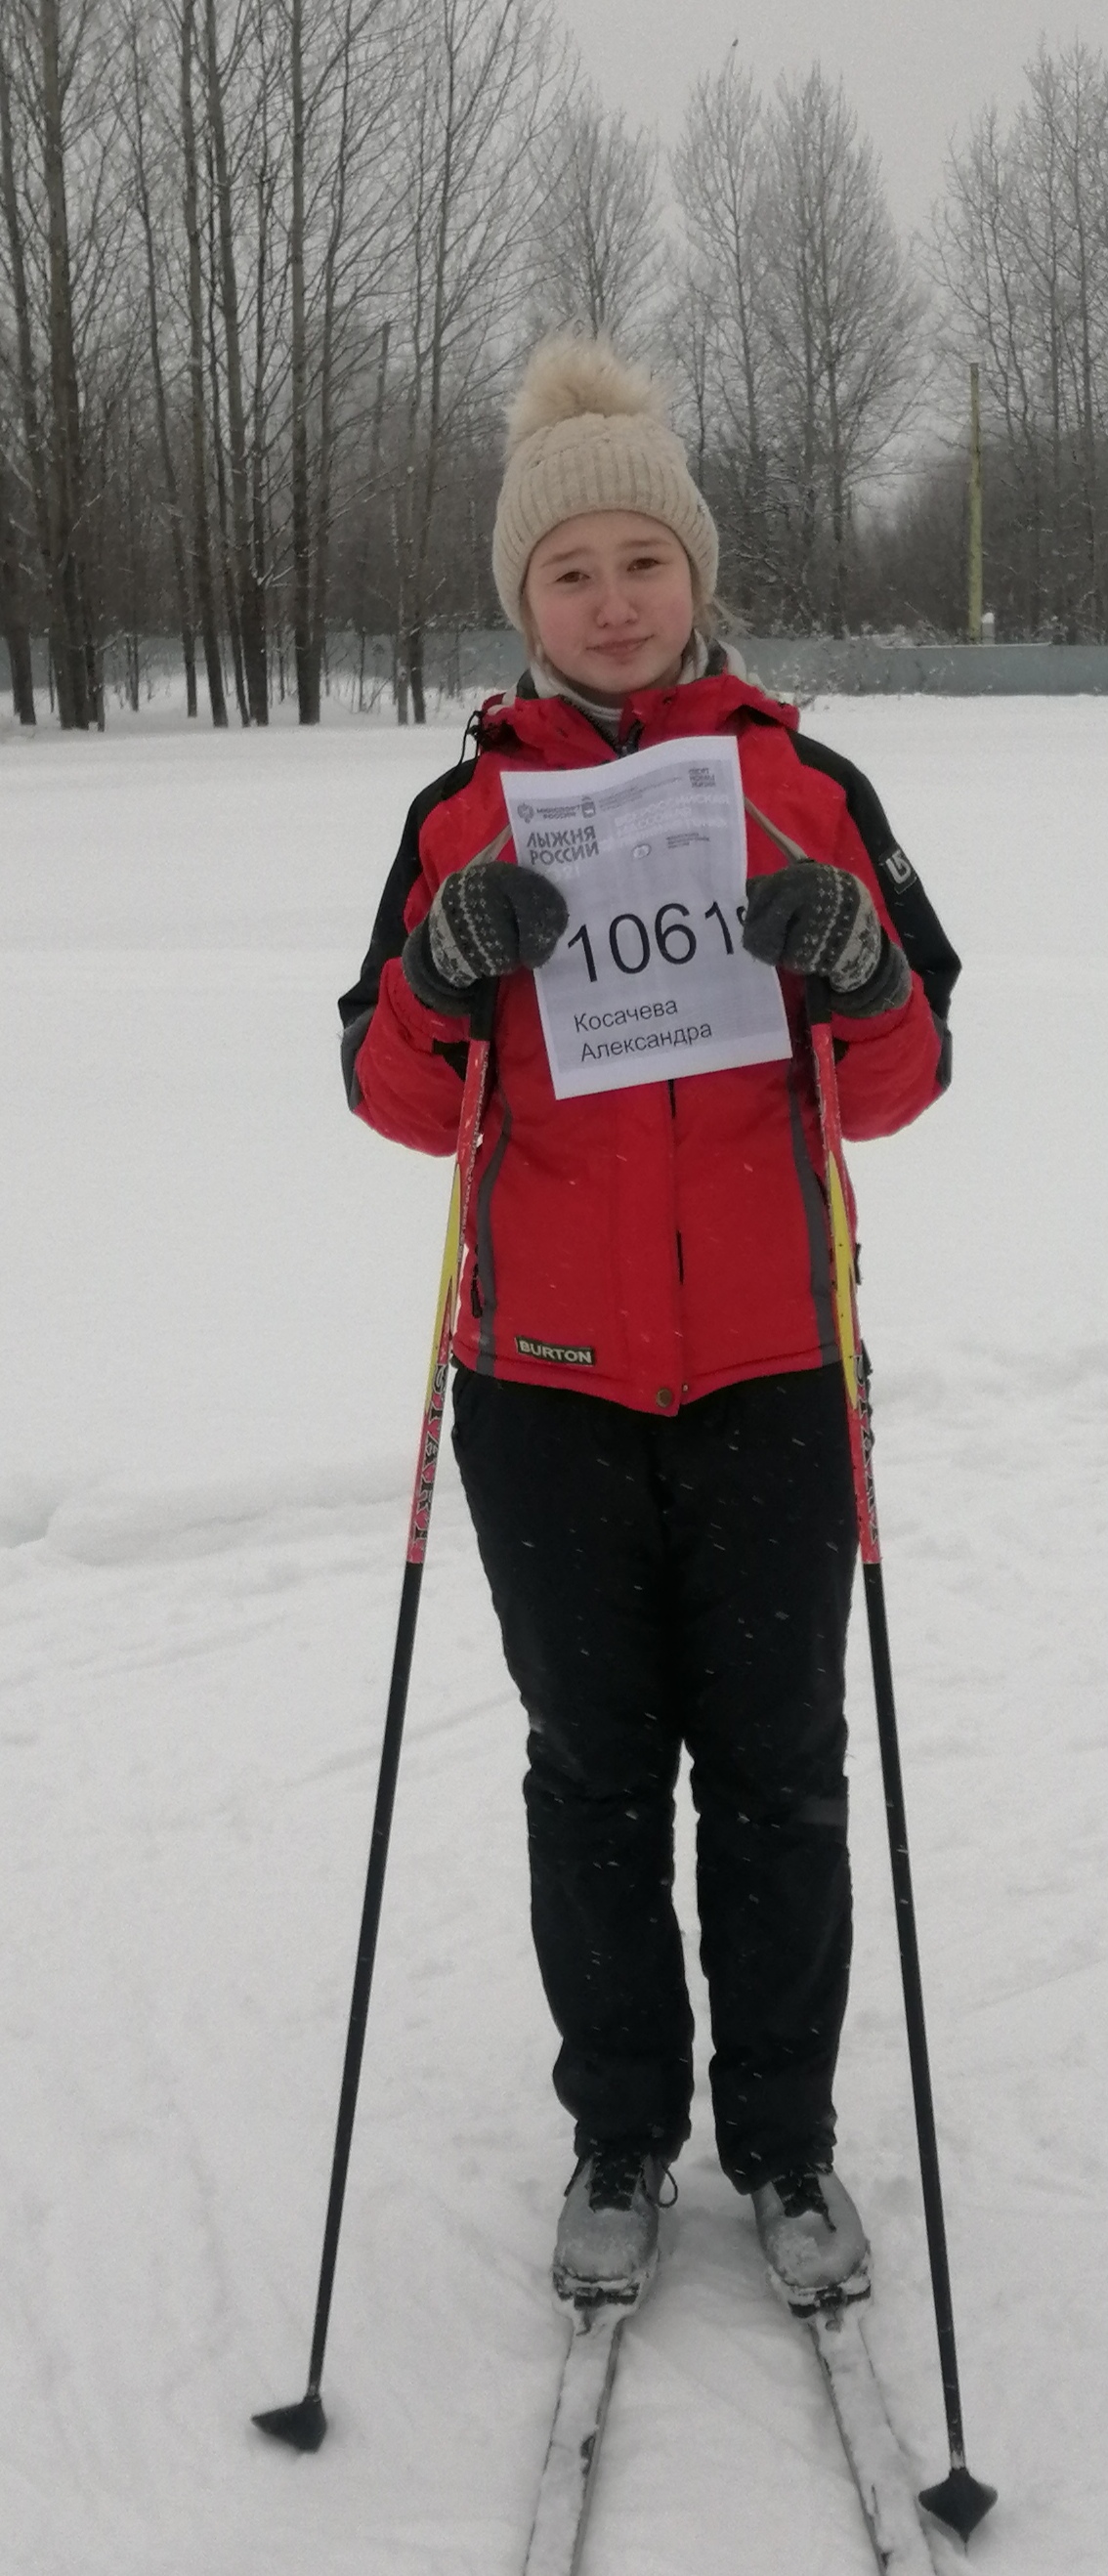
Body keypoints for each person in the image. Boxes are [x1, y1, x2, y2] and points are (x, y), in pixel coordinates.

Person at [338, 337, 959, 2315]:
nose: (611, 601)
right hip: (544, 1389)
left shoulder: (808, 789)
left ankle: (783, 2141)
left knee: (778, 1775)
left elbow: (904, 1077)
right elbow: (393, 1095)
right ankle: (621, 2130)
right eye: (569, 571)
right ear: (522, 599)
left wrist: (856, 965)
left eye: (642, 560)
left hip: (774, 1370)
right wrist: (443, 968)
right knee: (592, 1777)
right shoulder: (465, 814)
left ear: (695, 573)